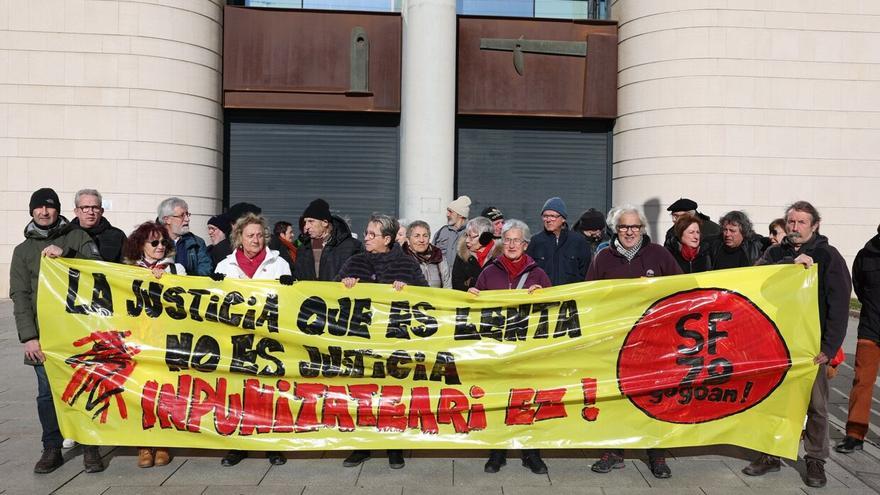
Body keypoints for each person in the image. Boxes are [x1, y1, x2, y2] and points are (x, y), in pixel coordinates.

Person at [743, 201, 851, 488]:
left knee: (816, 406)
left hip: (812, 348)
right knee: (774, 399)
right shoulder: (774, 252)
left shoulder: (828, 256)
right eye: (791, 221)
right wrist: (788, 266)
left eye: (801, 222)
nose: (794, 227)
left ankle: (815, 459)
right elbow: (756, 279)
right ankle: (771, 453)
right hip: (777, 344)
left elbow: (839, 306)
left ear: (815, 225)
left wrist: (828, 349)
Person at [9, 188, 104, 474]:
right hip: (44, 337)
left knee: (83, 388)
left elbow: (99, 271)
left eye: (50, 207)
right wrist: (29, 337)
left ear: (58, 210)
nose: (44, 212)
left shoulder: (77, 237)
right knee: (47, 394)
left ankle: (90, 446)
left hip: (77, 333)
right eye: (39, 208)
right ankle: (51, 447)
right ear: (32, 211)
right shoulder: (22, 251)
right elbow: (20, 295)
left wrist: (68, 256)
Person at [587, 205, 681, 479]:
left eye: (635, 227)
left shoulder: (659, 255)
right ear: (616, 229)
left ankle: (657, 453)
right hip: (615, 342)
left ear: (642, 229)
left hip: (653, 341)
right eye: (624, 227)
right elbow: (590, 295)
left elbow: (680, 289)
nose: (630, 232)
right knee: (616, 396)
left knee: (654, 396)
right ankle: (614, 451)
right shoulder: (603, 257)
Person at [337, 214, 428, 469]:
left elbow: (426, 298)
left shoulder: (407, 265)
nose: (365, 237)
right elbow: (331, 296)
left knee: (392, 395)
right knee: (362, 395)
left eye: (371, 234)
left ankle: (394, 447)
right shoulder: (354, 262)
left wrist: (408, 290)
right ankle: (362, 445)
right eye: (366, 233)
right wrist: (345, 286)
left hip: (394, 343)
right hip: (361, 341)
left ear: (387, 239)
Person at [468, 219, 551, 475]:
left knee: (528, 399)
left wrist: (544, 296)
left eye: (517, 240)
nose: (512, 244)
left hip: (527, 351)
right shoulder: (488, 272)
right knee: (498, 398)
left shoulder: (538, 274)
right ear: (501, 242)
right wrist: (469, 297)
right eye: (507, 239)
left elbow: (554, 312)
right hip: (497, 349)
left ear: (525, 244)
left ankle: (531, 453)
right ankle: (497, 452)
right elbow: (474, 312)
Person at [214, 213, 292, 467]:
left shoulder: (278, 263)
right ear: (239, 238)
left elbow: (290, 301)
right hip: (235, 338)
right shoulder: (225, 266)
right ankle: (238, 445)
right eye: (250, 235)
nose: (256, 240)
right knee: (237, 390)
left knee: (269, 391)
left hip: (269, 338)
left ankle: (271, 444)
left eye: (259, 235)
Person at [121, 222, 184, 468]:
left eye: (163, 243)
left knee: (165, 393)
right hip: (138, 342)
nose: (160, 247)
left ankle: (163, 442)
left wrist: (166, 282)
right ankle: (144, 445)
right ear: (141, 246)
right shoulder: (127, 271)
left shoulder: (176, 269)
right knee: (140, 392)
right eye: (154, 243)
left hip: (166, 342)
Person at [836, 225, 880, 454]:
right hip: (871, 329)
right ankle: (854, 434)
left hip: (871, 324)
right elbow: (860, 290)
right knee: (862, 382)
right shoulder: (866, 255)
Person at [294, 198, 362, 281]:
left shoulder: (352, 247)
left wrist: (351, 280)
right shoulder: (303, 249)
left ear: (325, 223)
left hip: (340, 293)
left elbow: (362, 276)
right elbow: (298, 278)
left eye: (311, 221)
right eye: (305, 222)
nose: (306, 226)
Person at [526, 197, 590, 285]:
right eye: (545, 216)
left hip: (571, 296)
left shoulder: (578, 241)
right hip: (543, 296)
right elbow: (528, 273)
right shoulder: (536, 241)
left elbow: (586, 273)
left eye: (552, 216)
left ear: (563, 218)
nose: (548, 220)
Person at [157, 197, 212, 276]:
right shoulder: (153, 242)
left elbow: (206, 270)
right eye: (182, 215)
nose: (187, 219)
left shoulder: (197, 243)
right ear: (167, 219)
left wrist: (187, 278)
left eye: (187, 214)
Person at [70, 188, 127, 263]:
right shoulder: (65, 235)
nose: (91, 212)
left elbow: (129, 265)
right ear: (76, 211)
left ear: (101, 211)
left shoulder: (118, 236)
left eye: (95, 208)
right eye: (85, 207)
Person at [452, 217, 501, 291]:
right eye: (467, 235)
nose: (467, 240)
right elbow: (456, 283)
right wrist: (467, 290)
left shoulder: (501, 256)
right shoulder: (462, 254)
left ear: (485, 238)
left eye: (471, 237)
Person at [402, 220, 452, 288]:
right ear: (408, 240)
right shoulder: (401, 260)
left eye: (425, 236)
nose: (421, 240)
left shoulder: (439, 259)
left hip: (436, 298)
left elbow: (448, 288)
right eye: (417, 236)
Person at [434, 195, 471, 269]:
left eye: (450, 212)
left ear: (460, 215)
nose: (447, 214)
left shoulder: (470, 233)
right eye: (447, 211)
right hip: (442, 277)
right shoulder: (442, 232)